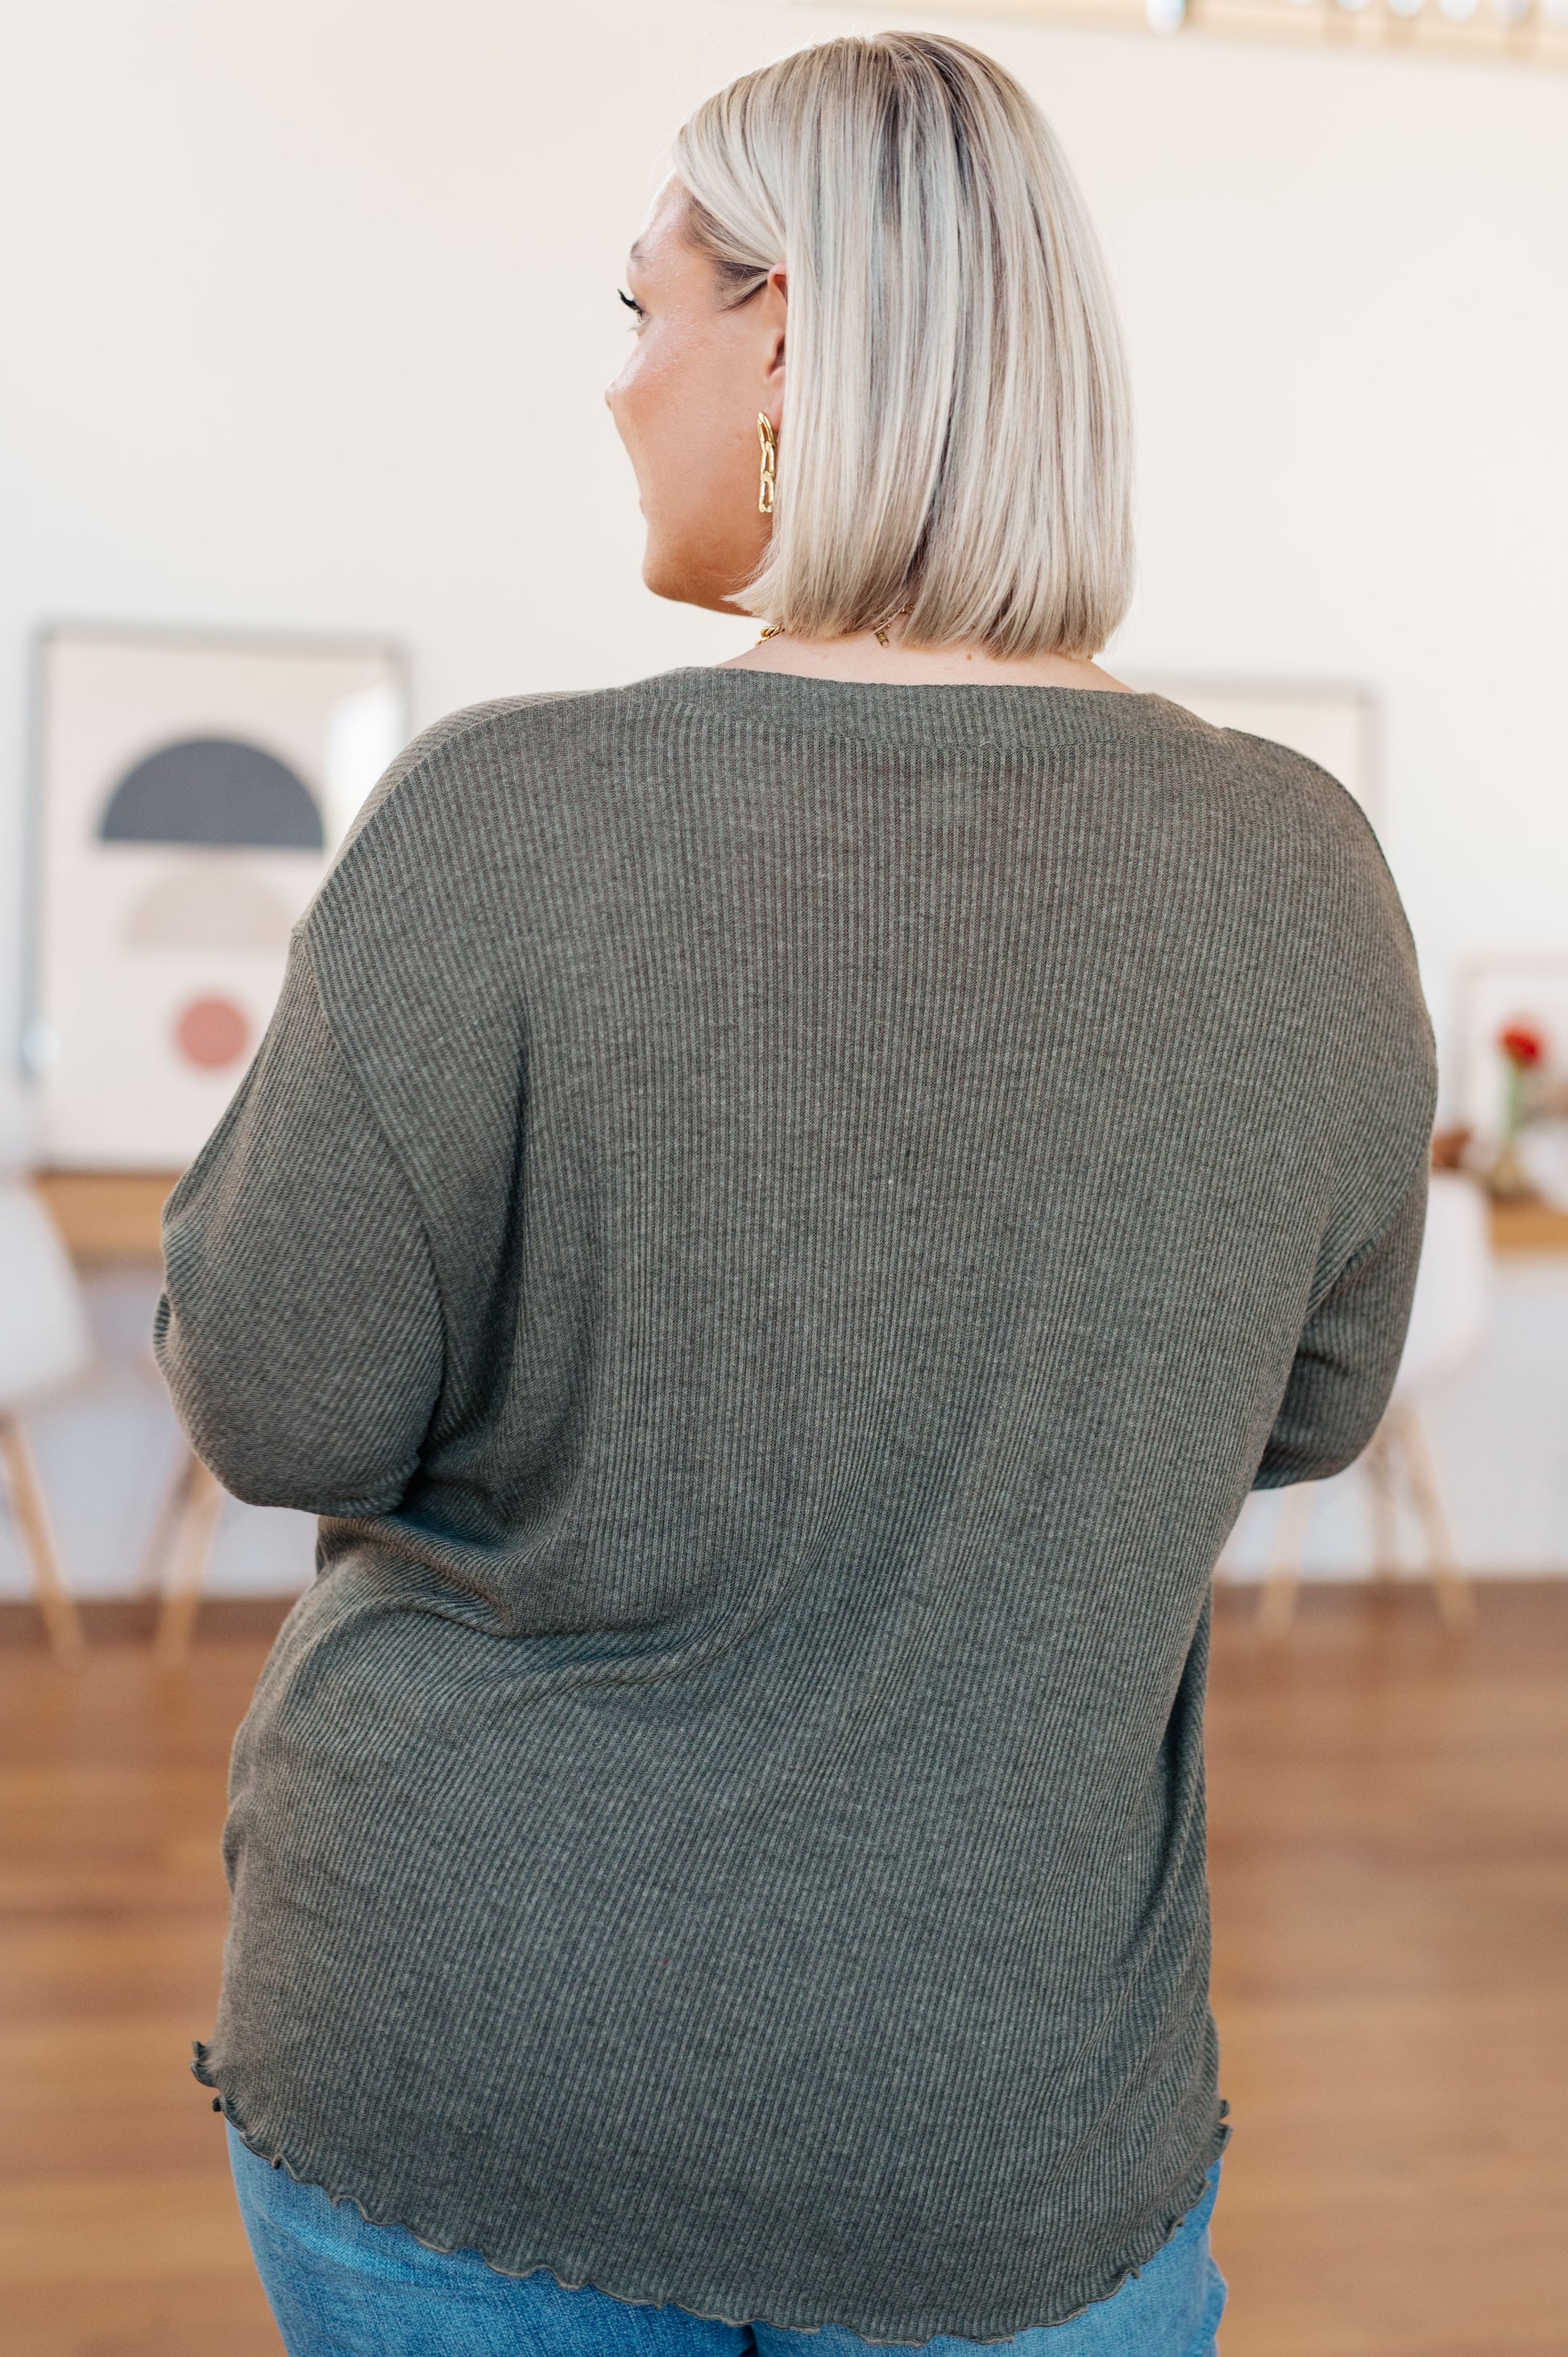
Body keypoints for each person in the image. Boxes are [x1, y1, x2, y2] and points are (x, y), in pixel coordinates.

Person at [157, 31, 1437, 2357]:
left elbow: (282, 1399)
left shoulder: (498, 821)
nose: (617, 387)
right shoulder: (1297, 877)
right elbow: (1313, 1404)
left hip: (466, 2067)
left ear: (790, 340)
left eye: (638, 310)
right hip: (1000, 2120)